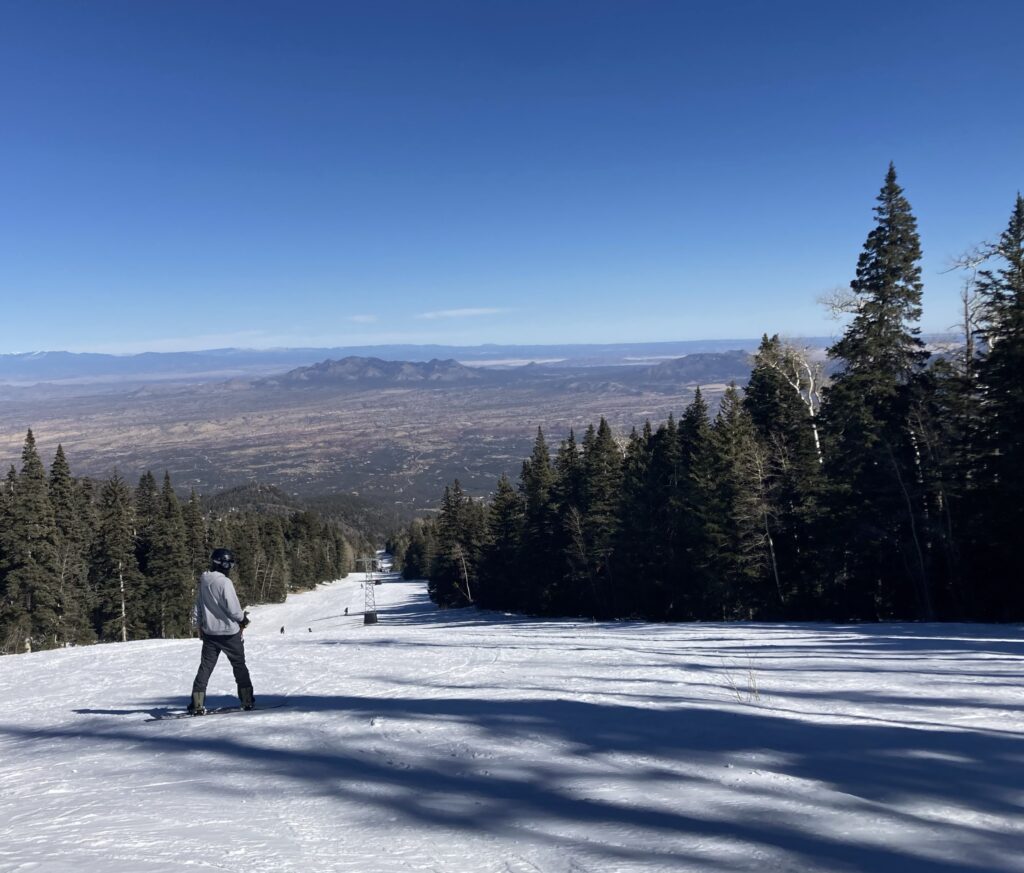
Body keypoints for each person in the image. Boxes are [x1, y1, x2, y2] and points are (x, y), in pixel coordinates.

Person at [188, 548, 255, 715]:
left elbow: (198, 605)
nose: (229, 568)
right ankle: (247, 700)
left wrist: (197, 623)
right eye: (228, 564)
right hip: (229, 633)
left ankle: (197, 703)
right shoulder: (225, 583)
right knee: (239, 666)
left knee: (205, 668)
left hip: (210, 633)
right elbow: (233, 609)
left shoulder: (204, 580)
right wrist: (242, 619)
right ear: (221, 564)